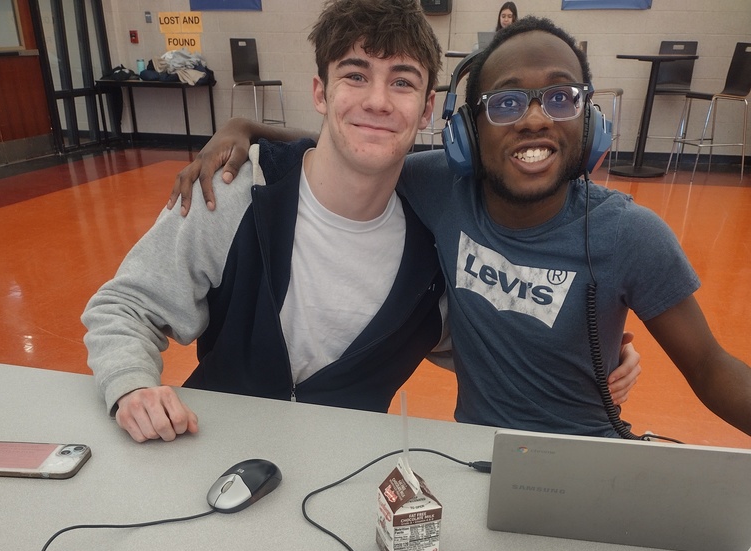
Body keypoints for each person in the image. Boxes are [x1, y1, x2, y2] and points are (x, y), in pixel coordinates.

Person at [169, 15, 751, 440]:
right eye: (504, 104)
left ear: (591, 119)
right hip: (471, 454)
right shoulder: (440, 185)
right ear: (467, 134)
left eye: (560, 97)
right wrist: (243, 128)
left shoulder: (632, 236)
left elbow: (710, 367)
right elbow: (358, 142)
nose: (533, 119)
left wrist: (604, 358)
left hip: (586, 456)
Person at [82, 0, 447, 442]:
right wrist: (133, 385)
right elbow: (126, 306)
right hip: (214, 455)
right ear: (320, 92)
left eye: (402, 82)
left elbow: (489, 343)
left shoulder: (436, 240)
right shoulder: (236, 191)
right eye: (355, 75)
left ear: (427, 108)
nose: (377, 101)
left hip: (346, 471)